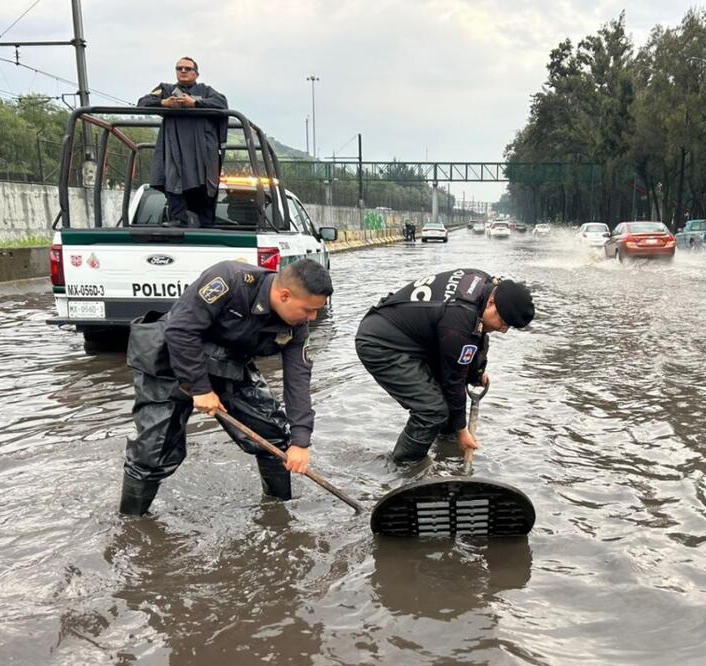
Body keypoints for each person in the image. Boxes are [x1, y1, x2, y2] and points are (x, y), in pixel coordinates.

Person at [119, 259, 333, 515]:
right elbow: (181, 330)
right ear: (284, 295)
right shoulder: (230, 280)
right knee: (152, 453)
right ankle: (131, 521)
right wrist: (200, 389)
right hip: (169, 360)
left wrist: (301, 442)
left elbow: (298, 381)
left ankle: (279, 514)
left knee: (274, 436)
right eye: (308, 310)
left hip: (228, 366)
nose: (312, 317)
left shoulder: (296, 329)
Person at [355, 269, 535, 464]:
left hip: (413, 334)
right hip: (380, 343)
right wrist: (462, 431)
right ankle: (403, 467)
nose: (503, 330)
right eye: (503, 323)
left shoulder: (482, 281)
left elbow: (476, 335)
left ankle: (446, 455)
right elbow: (454, 379)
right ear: (492, 303)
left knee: (448, 403)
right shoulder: (459, 318)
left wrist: (476, 373)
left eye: (508, 327)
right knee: (431, 409)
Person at [138, 56, 228, 228]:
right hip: (174, 153)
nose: (183, 71)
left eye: (188, 68)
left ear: (196, 74)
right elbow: (142, 103)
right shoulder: (166, 89)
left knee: (204, 194)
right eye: (179, 68)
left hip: (201, 156)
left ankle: (206, 227)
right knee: (174, 184)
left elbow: (222, 102)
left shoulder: (206, 91)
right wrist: (163, 103)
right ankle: (179, 221)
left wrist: (195, 103)